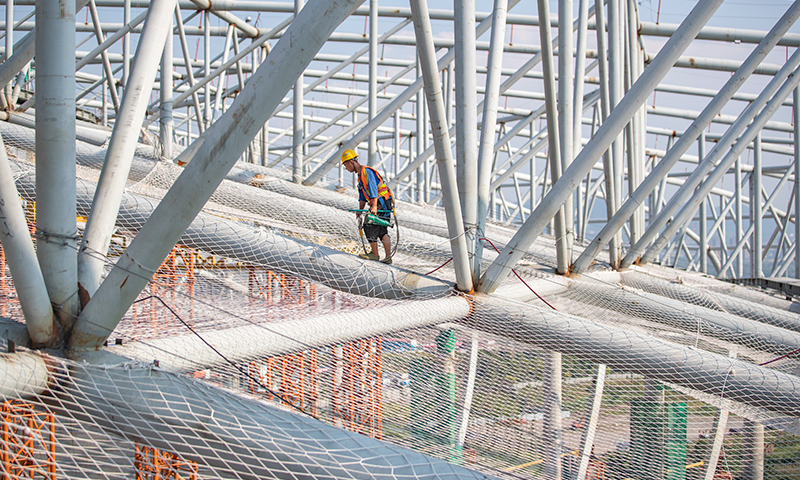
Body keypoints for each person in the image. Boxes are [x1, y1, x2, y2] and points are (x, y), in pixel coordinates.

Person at [341, 149, 394, 264]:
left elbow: (373, 189)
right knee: (381, 230)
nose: (346, 168)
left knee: (368, 224)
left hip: (381, 201)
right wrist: (360, 210)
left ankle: (374, 255)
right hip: (383, 202)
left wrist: (374, 206)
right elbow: (362, 195)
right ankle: (388, 257)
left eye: (346, 165)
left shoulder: (366, 172)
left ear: (351, 162)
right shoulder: (360, 176)